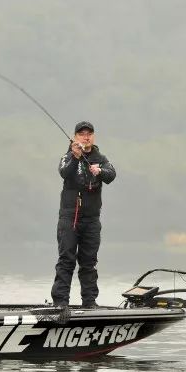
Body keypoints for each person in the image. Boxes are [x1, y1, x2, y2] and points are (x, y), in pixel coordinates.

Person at [51, 121, 116, 309]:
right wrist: (75, 156)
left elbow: (111, 175)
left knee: (89, 263)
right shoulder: (67, 156)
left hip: (92, 220)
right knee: (66, 260)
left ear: (93, 136)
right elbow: (64, 172)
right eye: (82, 134)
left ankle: (89, 302)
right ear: (75, 137)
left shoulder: (100, 157)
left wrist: (100, 171)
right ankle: (61, 302)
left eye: (89, 134)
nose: (86, 137)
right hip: (69, 219)